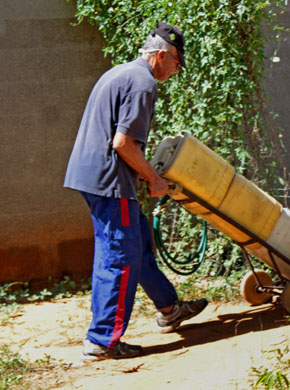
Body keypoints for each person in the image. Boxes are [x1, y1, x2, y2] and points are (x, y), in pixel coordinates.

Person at [64, 21, 207, 360]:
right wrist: (155, 180)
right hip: (110, 182)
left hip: (93, 176)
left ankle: (169, 308)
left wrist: (143, 173)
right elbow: (124, 143)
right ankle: (101, 341)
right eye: (176, 64)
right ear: (161, 56)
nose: (175, 71)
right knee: (120, 257)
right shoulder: (143, 83)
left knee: (137, 242)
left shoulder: (121, 72)